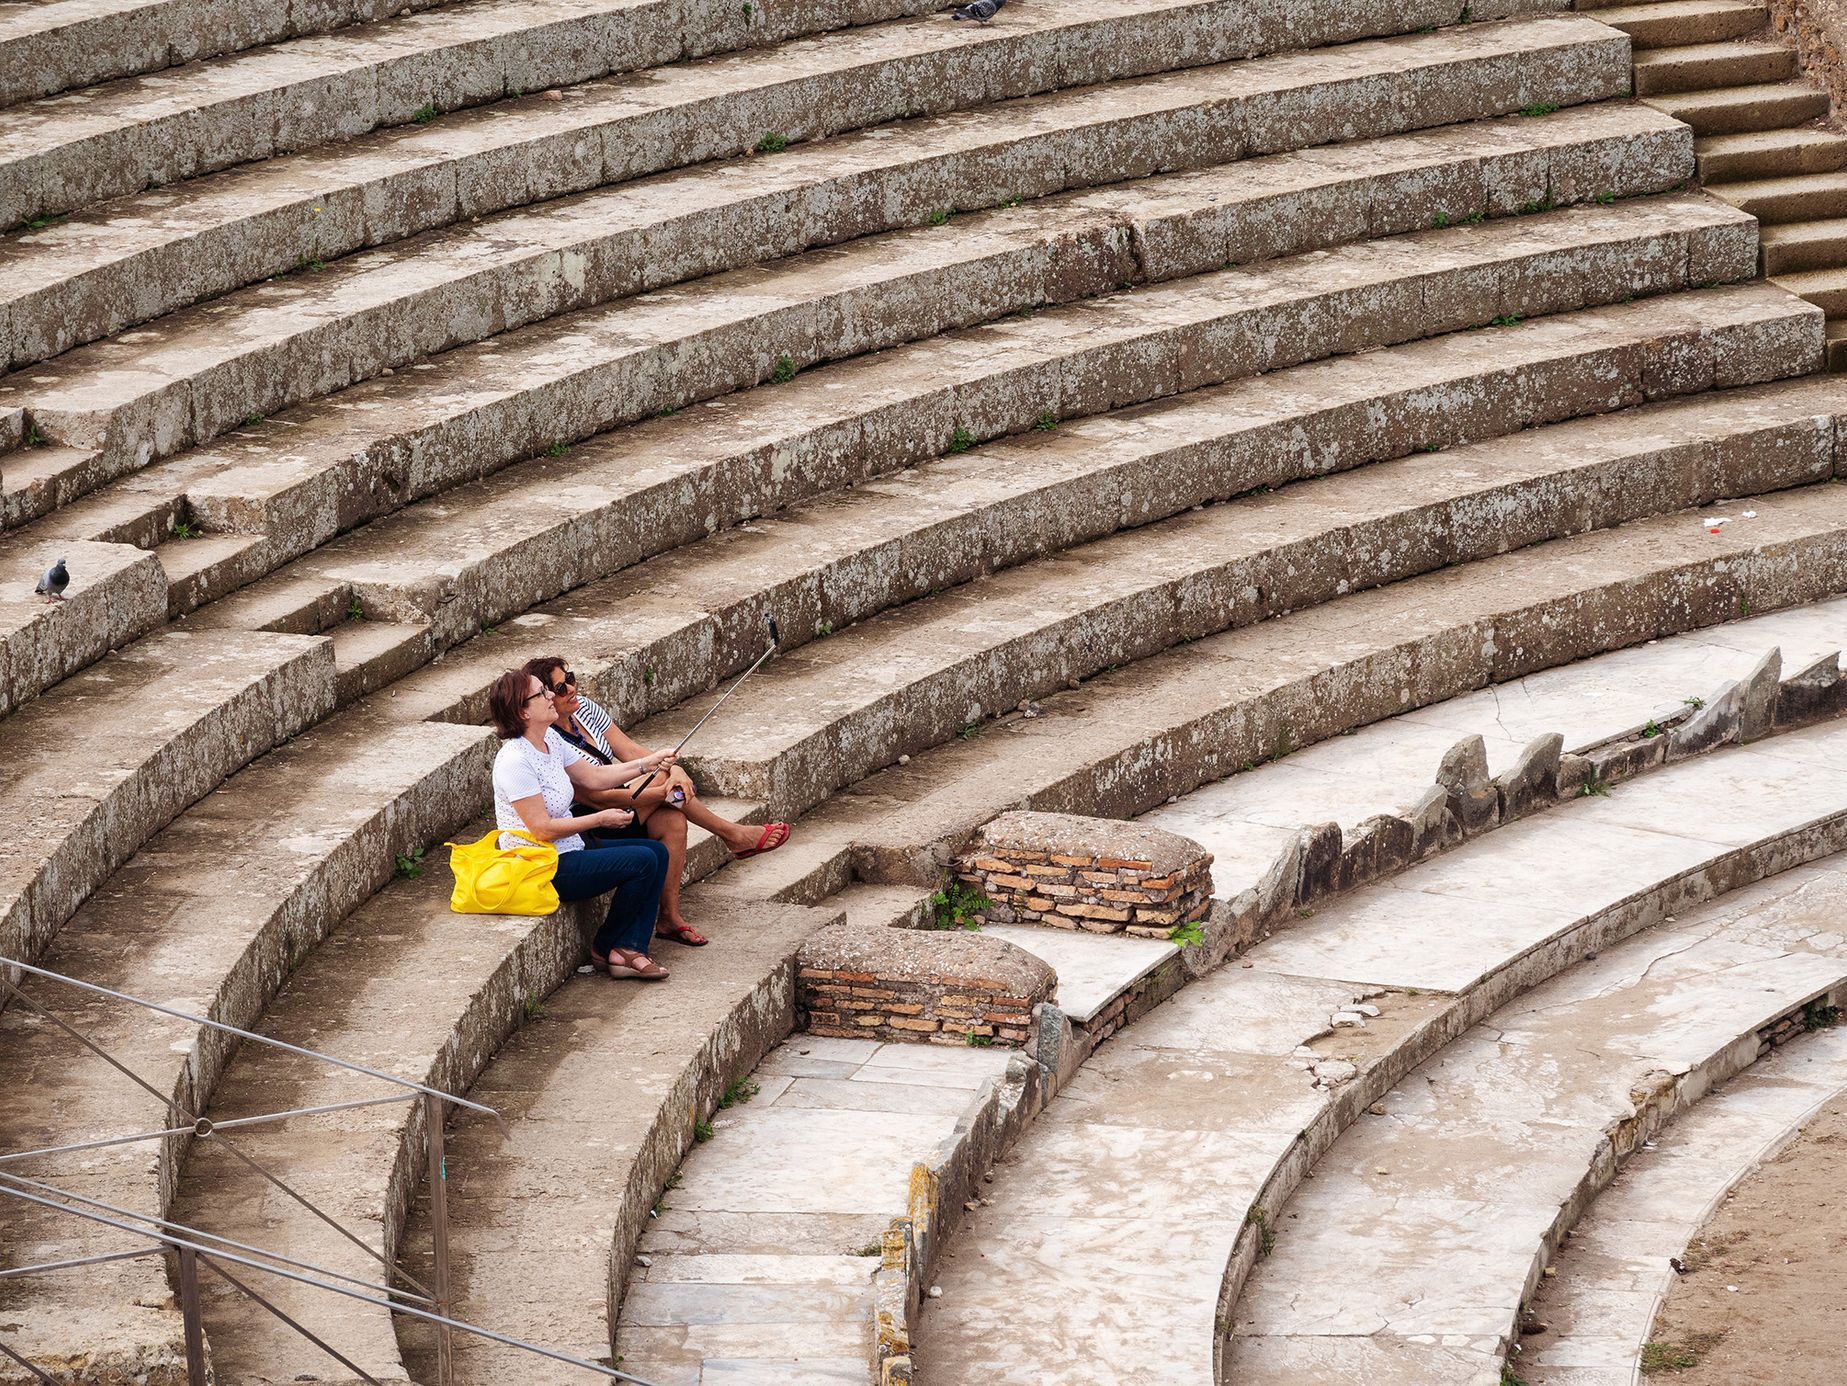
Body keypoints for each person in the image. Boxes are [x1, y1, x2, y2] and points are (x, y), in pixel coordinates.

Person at [522, 656, 791, 948]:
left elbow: (630, 749)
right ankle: (732, 834)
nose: (571, 689)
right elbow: (598, 797)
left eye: (570, 678)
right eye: (561, 689)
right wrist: (662, 789)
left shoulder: (584, 708)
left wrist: (675, 769)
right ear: (547, 697)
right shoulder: (548, 739)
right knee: (665, 788)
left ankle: (669, 918)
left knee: (673, 819)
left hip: (627, 801)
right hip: (595, 820)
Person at [487, 669, 677, 981]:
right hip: (544, 864)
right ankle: (609, 947)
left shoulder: (548, 739)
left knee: (655, 852)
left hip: (571, 848)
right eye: (541, 693)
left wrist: (649, 762)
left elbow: (595, 777)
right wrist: (602, 818)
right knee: (643, 860)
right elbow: (542, 829)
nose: (551, 696)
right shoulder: (514, 761)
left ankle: (627, 946)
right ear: (522, 711)